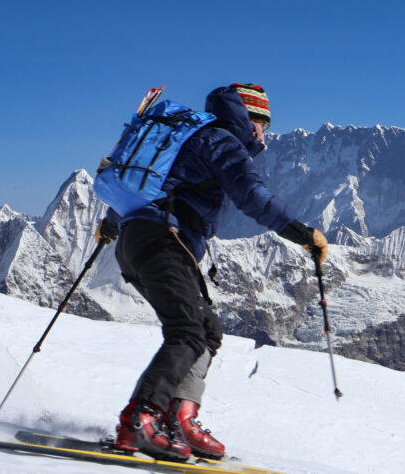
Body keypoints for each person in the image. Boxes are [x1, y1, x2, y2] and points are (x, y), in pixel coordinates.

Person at [95, 83, 328, 462]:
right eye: (263, 123)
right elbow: (252, 196)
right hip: (163, 242)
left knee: (206, 332)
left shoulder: (188, 139)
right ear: (250, 119)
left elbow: (151, 184)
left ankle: (179, 418)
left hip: (141, 241)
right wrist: (300, 234)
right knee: (187, 332)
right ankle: (139, 420)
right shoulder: (222, 141)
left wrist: (111, 223)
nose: (264, 134)